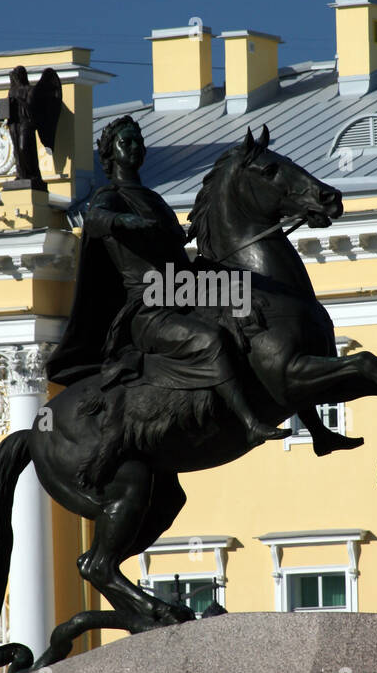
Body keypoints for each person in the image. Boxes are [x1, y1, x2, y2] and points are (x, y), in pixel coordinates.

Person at [47, 114, 284, 446]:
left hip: (181, 293)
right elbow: (96, 219)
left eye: (138, 141)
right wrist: (126, 222)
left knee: (249, 309)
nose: (134, 147)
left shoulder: (154, 199)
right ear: (110, 153)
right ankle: (249, 422)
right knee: (211, 339)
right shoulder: (110, 195)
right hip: (148, 310)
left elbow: (173, 251)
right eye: (125, 142)